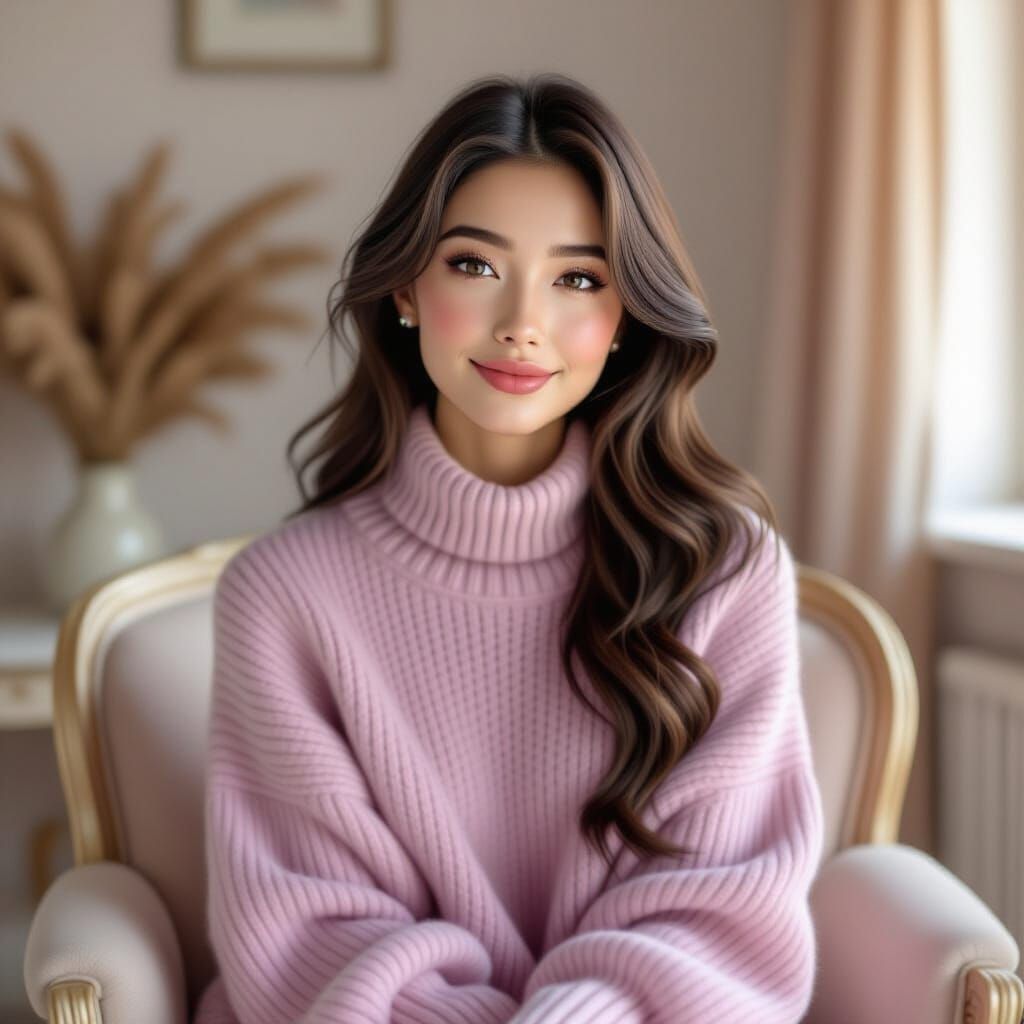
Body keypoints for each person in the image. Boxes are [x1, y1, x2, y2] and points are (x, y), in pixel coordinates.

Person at [193, 72, 824, 1024]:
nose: (523, 322)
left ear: (624, 317)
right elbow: (306, 940)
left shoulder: (723, 575)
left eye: (579, 279)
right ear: (406, 287)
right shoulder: (285, 594)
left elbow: (722, 922)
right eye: (475, 265)